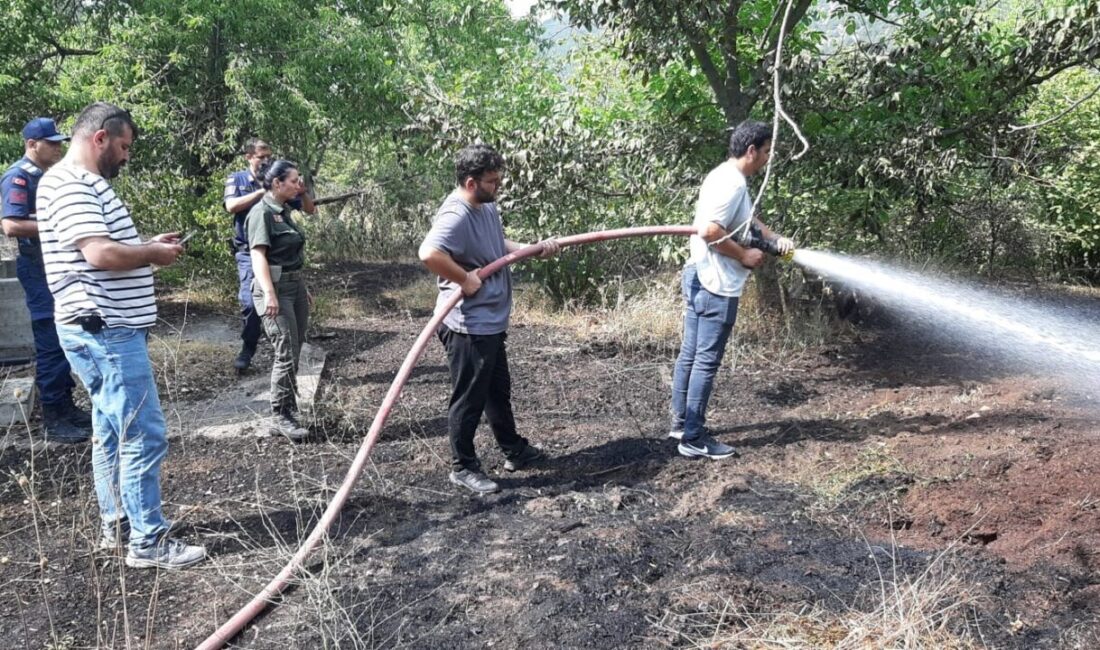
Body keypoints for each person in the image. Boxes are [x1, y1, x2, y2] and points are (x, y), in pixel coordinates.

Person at [36, 102, 206, 569]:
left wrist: (149, 244)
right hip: (105, 329)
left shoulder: (76, 185)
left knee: (112, 430)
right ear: (100, 138)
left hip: (99, 327)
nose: (126, 157)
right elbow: (100, 255)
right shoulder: (71, 185)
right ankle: (148, 541)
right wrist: (150, 253)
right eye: (124, 146)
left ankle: (119, 522)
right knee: (143, 434)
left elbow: (101, 246)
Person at [418, 144, 560, 495]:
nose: (498, 186)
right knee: (469, 397)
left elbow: (496, 243)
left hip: (490, 321)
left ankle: (514, 450)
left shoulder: (484, 205)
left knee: (497, 391)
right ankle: (463, 467)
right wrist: (464, 279)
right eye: (492, 181)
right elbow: (429, 253)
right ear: (471, 182)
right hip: (468, 325)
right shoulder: (456, 214)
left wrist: (530, 248)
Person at [669, 120, 794, 459]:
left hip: (699, 274)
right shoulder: (733, 184)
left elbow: (746, 221)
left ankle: (681, 424)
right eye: (766, 151)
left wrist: (771, 240)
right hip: (716, 283)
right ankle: (693, 438)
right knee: (706, 361)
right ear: (751, 150)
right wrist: (745, 255)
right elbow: (710, 231)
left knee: (691, 354)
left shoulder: (723, 176)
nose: (768, 158)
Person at [1, 117, 92, 443]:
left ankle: (67, 408)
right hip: (37, 268)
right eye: (51, 142)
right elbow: (10, 225)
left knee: (66, 336)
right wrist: (61, 225)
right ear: (31, 144)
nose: (58, 147)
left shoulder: (47, 176)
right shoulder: (19, 177)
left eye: (59, 141)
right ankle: (54, 418)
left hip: (56, 265)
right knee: (51, 339)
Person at [224, 138, 315, 373]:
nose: (266, 160)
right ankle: (248, 347)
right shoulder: (240, 180)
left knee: (287, 317)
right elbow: (231, 206)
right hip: (249, 251)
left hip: (279, 257)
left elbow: (308, 209)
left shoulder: (281, 184)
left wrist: (301, 192)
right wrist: (263, 191)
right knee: (251, 301)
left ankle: (281, 352)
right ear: (248, 157)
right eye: (261, 156)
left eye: (268, 156)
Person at [245, 159, 312, 440]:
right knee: (285, 352)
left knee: (294, 350)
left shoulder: (283, 211)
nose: (299, 185)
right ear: (277, 183)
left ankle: (289, 407)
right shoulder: (261, 212)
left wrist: (302, 287)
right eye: (294, 180)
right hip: (275, 290)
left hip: (293, 288)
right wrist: (270, 293)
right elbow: (258, 255)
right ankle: (279, 415)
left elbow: (291, 254)